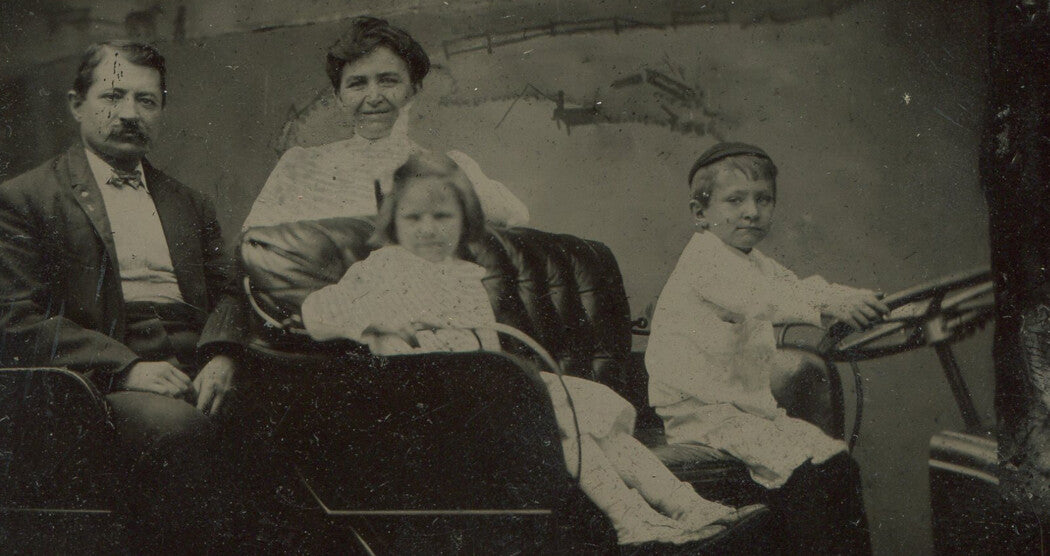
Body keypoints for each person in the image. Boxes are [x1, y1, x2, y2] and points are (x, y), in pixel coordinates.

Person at [299, 152, 760, 546]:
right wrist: (375, 318)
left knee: (593, 430)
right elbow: (317, 313)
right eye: (413, 218)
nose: (428, 230)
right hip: (426, 407)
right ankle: (631, 521)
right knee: (566, 425)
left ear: (465, 222)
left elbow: (487, 348)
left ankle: (686, 507)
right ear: (393, 221)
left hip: (481, 394)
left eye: (443, 217)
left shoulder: (464, 277)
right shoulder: (382, 266)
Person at [0, 41, 257, 549]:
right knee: (178, 432)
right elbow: (14, 318)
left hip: (198, 361)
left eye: (147, 100)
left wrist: (223, 352)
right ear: (76, 104)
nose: (130, 113)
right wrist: (125, 367)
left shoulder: (189, 202)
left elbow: (230, 290)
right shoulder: (25, 198)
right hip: (101, 377)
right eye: (112, 96)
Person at [645, 142, 888, 554]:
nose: (752, 212)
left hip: (749, 412)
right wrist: (834, 306)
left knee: (837, 462)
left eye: (763, 199)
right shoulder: (704, 260)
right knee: (806, 472)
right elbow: (762, 299)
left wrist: (864, 299)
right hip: (702, 416)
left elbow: (797, 288)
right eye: (735, 200)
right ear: (700, 214)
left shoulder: (753, 260)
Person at [244, 15, 529, 229]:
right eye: (357, 84)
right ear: (339, 97)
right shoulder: (300, 166)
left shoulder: (449, 166)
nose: (374, 97)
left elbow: (516, 217)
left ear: (413, 89)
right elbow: (256, 246)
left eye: (388, 80)